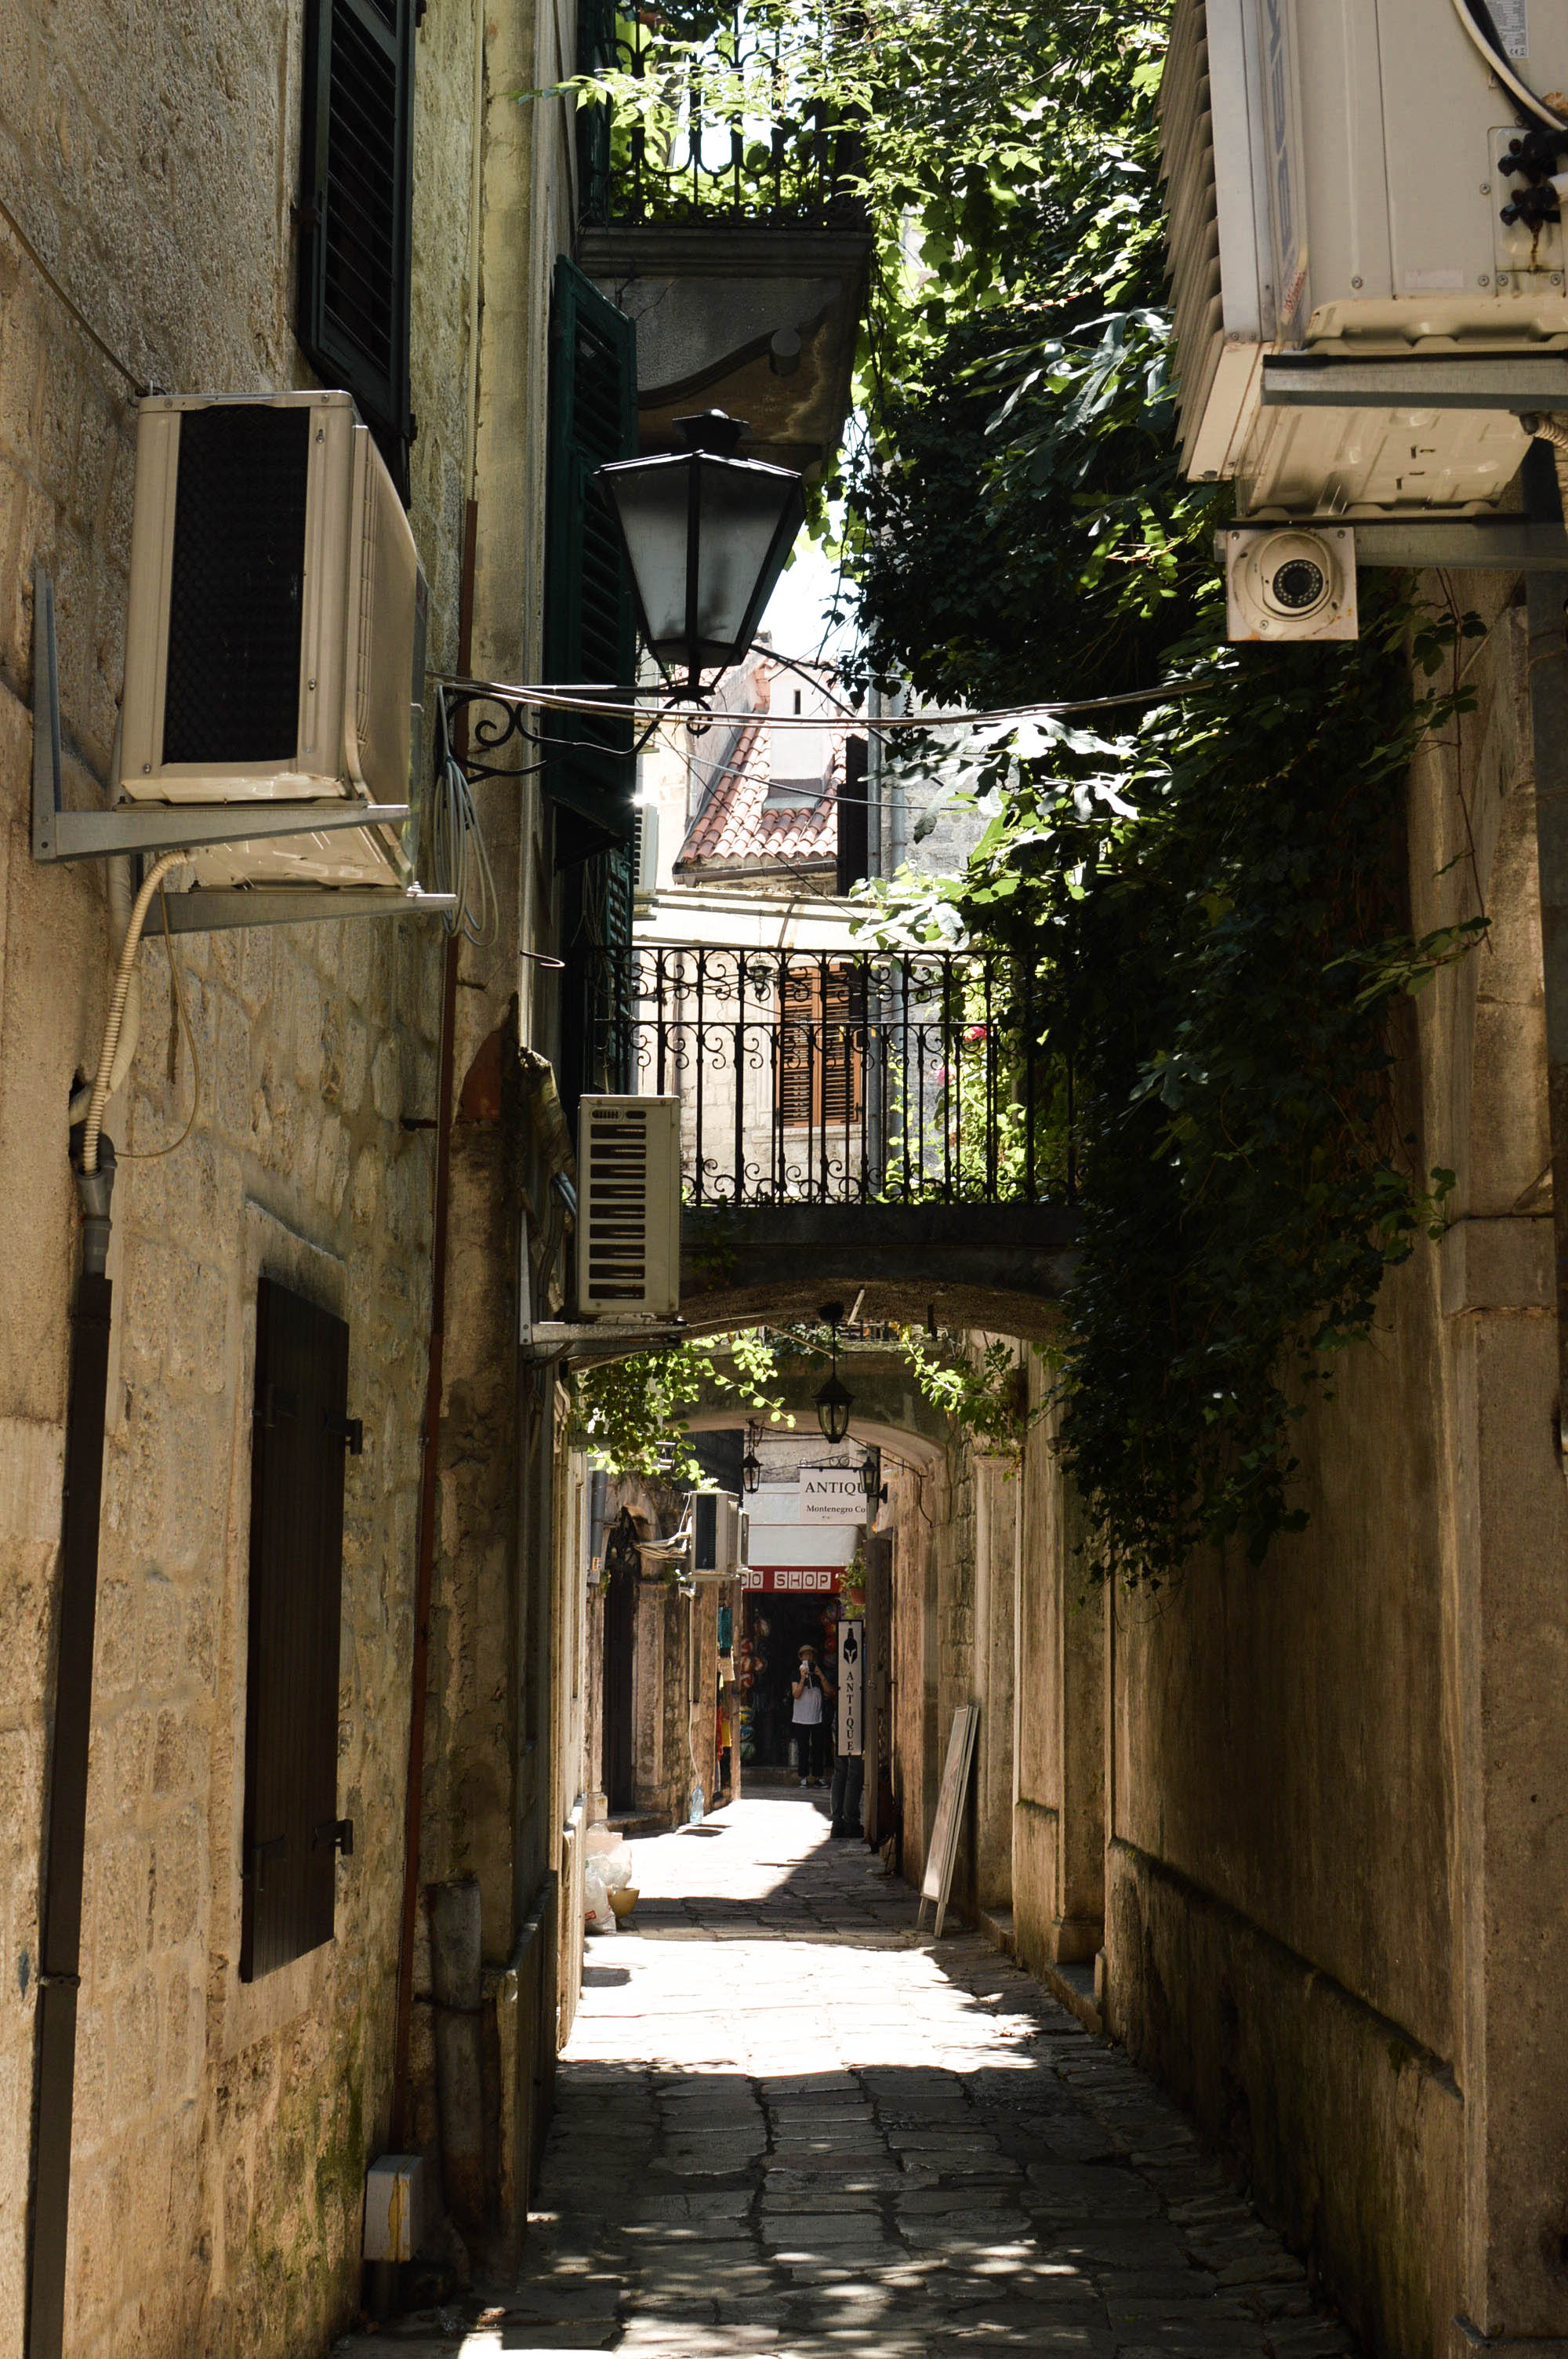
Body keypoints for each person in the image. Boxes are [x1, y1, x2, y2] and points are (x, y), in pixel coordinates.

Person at [790, 1645, 833, 1787]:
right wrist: (803, 1678)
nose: (808, 1658)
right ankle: (803, 1776)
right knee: (803, 1748)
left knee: (818, 1747)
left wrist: (820, 1675)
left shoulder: (818, 1673)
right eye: (805, 1656)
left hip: (817, 1716)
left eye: (810, 1655)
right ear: (801, 1658)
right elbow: (796, 1694)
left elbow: (829, 1691)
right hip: (801, 1717)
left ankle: (818, 1776)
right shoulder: (796, 1674)